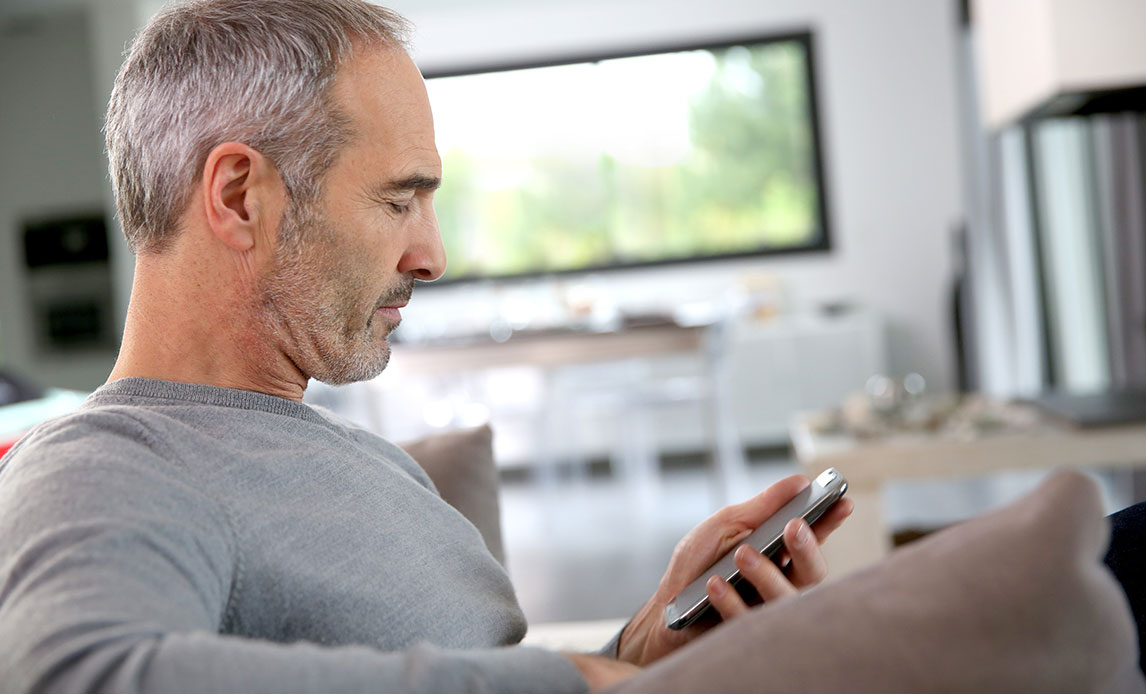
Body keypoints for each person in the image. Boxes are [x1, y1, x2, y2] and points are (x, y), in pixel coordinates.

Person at [0, 1, 852, 692]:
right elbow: (73, 672)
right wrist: (575, 684)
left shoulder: (368, 460)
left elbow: (477, 659)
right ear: (239, 196)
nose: (432, 256)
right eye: (399, 202)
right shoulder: (108, 462)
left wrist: (639, 643)